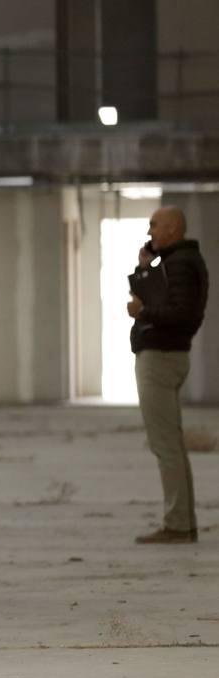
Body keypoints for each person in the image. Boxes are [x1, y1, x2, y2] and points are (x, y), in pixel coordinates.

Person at [128, 206, 208, 544]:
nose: (150, 231)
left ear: (173, 228)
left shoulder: (181, 264)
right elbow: (159, 295)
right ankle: (182, 522)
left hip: (161, 357)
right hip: (164, 354)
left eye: (155, 225)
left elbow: (182, 314)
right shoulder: (174, 263)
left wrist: (143, 312)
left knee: (165, 446)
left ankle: (177, 525)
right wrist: (145, 267)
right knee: (171, 444)